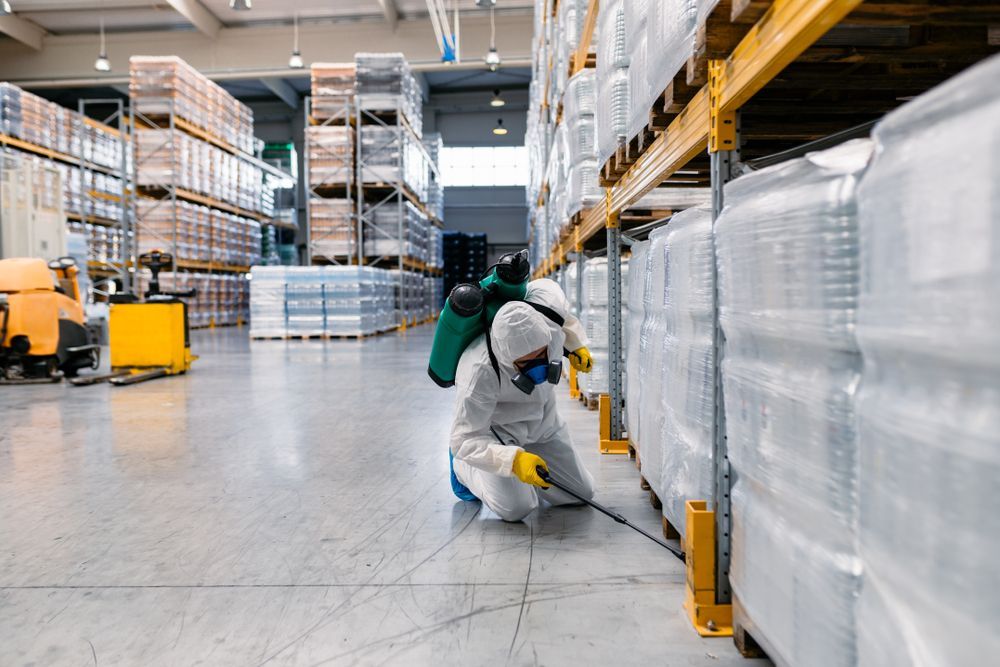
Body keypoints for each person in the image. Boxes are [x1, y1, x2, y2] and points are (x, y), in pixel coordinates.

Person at [448, 277, 596, 522]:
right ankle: (464, 469)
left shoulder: (547, 322)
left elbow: (563, 319)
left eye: (541, 355)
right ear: (506, 357)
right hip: (500, 433)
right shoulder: (478, 371)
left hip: (544, 423)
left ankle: (525, 472)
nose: (538, 366)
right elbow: (463, 439)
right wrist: (513, 461)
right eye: (525, 363)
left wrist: (576, 345)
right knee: (516, 508)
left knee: (581, 494)